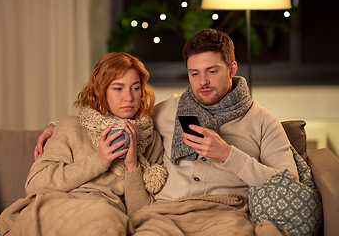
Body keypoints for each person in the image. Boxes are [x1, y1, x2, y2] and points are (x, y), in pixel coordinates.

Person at [34, 29, 299, 235]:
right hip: (164, 215)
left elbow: (289, 186)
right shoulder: (169, 110)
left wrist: (228, 154)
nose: (203, 81)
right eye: (194, 73)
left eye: (212, 71)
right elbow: (117, 114)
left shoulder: (263, 121)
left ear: (232, 69)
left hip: (225, 214)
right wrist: (57, 126)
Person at [0, 52, 167, 236]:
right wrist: (98, 161)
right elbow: (34, 184)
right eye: (118, 88)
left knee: (105, 216)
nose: (129, 98)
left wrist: (132, 166)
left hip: (105, 217)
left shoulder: (150, 140)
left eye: (135, 88)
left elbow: (139, 213)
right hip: (59, 207)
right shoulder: (72, 127)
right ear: (101, 91)